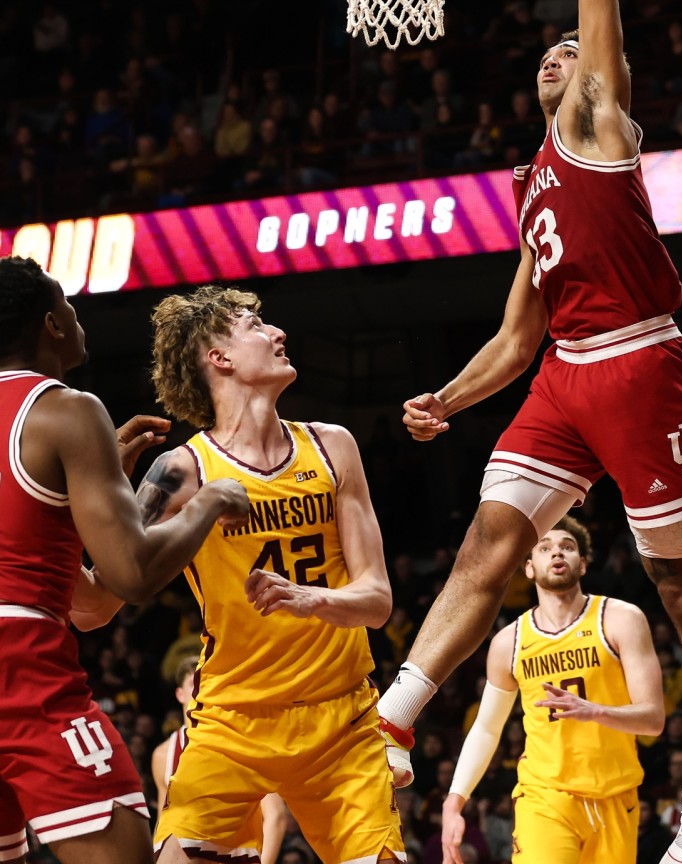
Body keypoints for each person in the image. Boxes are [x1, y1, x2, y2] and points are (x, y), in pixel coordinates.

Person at [378, 0, 682, 864]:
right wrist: (448, 399)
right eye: (542, 56)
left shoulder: (599, 131)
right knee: (486, 541)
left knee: (678, 581)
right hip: (565, 373)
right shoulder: (532, 185)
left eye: (570, 50)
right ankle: (390, 718)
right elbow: (517, 336)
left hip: (639, 366)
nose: (558, 56)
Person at [97, 283, 404, 864]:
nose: (278, 332)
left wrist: (307, 599)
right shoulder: (182, 471)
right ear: (220, 358)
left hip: (342, 718)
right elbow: (95, 604)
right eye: (255, 325)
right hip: (234, 719)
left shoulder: (333, 446)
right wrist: (91, 499)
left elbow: (377, 599)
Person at [0, 255, 250, 864]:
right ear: (52, 324)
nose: (77, 315)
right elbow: (132, 575)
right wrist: (207, 501)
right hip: (20, 667)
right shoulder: (66, 410)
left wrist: (93, 496)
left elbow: (85, 605)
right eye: (69, 304)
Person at [441, 518, 664, 864]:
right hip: (545, 796)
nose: (557, 551)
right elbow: (487, 728)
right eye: (545, 547)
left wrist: (597, 711)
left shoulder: (620, 619)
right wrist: (455, 800)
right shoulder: (509, 642)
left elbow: (652, 719)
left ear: (583, 564)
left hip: (616, 795)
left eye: (567, 546)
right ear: (529, 568)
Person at [152, 656, 289, 864]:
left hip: (237, 854)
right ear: (179, 694)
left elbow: (275, 816)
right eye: (193, 683)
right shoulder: (164, 754)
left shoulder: (240, 738)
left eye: (204, 680)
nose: (200, 688)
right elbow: (163, 823)